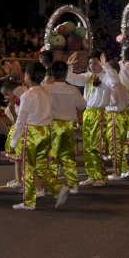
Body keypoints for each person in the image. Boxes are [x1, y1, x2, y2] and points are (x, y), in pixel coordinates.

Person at [9, 62, 70, 210]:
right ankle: (58, 188)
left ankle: (29, 202)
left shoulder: (28, 95)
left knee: (28, 168)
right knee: (41, 166)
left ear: (28, 76)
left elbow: (21, 120)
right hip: (46, 131)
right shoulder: (45, 93)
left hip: (33, 133)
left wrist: (13, 142)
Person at [66, 51, 118, 187]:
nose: (92, 65)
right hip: (87, 113)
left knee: (96, 146)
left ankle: (100, 175)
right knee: (87, 147)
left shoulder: (106, 77)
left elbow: (115, 82)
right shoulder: (88, 77)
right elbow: (70, 78)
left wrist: (106, 66)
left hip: (98, 114)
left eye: (95, 63)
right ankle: (92, 174)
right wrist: (69, 65)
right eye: (90, 63)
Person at [44, 61, 87, 193]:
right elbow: (83, 105)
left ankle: (53, 183)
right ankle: (73, 184)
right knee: (68, 155)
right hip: (68, 125)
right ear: (65, 73)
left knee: (51, 156)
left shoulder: (47, 89)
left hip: (52, 125)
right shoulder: (72, 90)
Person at [105, 60, 129, 180]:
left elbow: (113, 101)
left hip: (114, 115)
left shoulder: (112, 85)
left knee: (115, 145)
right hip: (123, 115)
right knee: (119, 144)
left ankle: (117, 172)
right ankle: (124, 169)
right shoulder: (121, 85)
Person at [1, 79, 28, 189]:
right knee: (18, 156)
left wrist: (16, 120)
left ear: (12, 90)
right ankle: (18, 179)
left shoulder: (20, 90)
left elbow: (12, 107)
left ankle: (19, 180)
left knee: (18, 156)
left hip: (22, 127)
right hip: (23, 126)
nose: (7, 97)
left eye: (7, 94)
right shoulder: (23, 91)